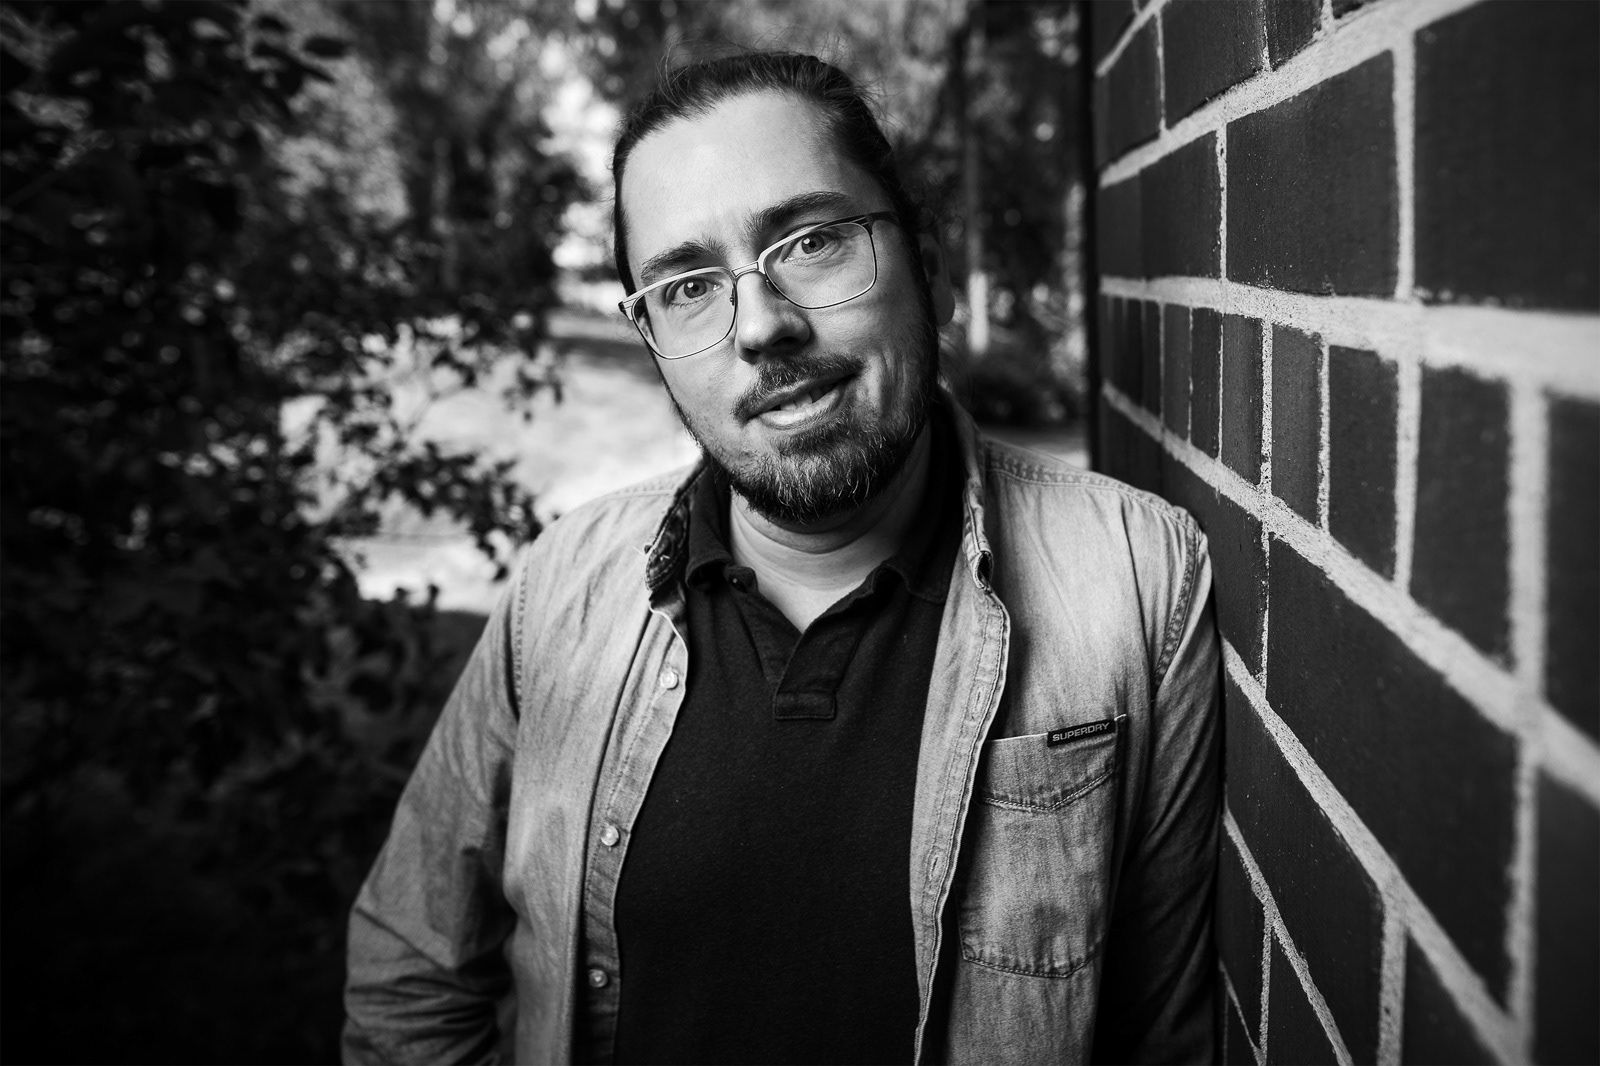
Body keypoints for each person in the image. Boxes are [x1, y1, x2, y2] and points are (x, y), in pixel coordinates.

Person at [344, 51, 1221, 1066]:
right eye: (687, 285)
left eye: (811, 242)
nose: (761, 326)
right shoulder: (562, 590)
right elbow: (410, 972)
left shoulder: (1136, 582)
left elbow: (1162, 1041)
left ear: (925, 260)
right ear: (649, 334)